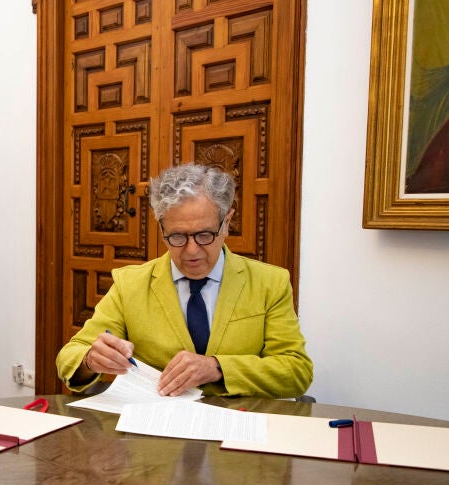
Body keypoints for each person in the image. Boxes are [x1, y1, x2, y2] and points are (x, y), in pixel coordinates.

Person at [56, 163, 312, 398]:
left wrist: (218, 367)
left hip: (239, 424)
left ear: (227, 223)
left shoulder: (270, 283)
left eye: (205, 235)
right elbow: (69, 357)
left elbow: (296, 370)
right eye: (177, 237)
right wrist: (91, 360)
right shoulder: (130, 284)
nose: (191, 251)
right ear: (161, 229)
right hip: (157, 427)